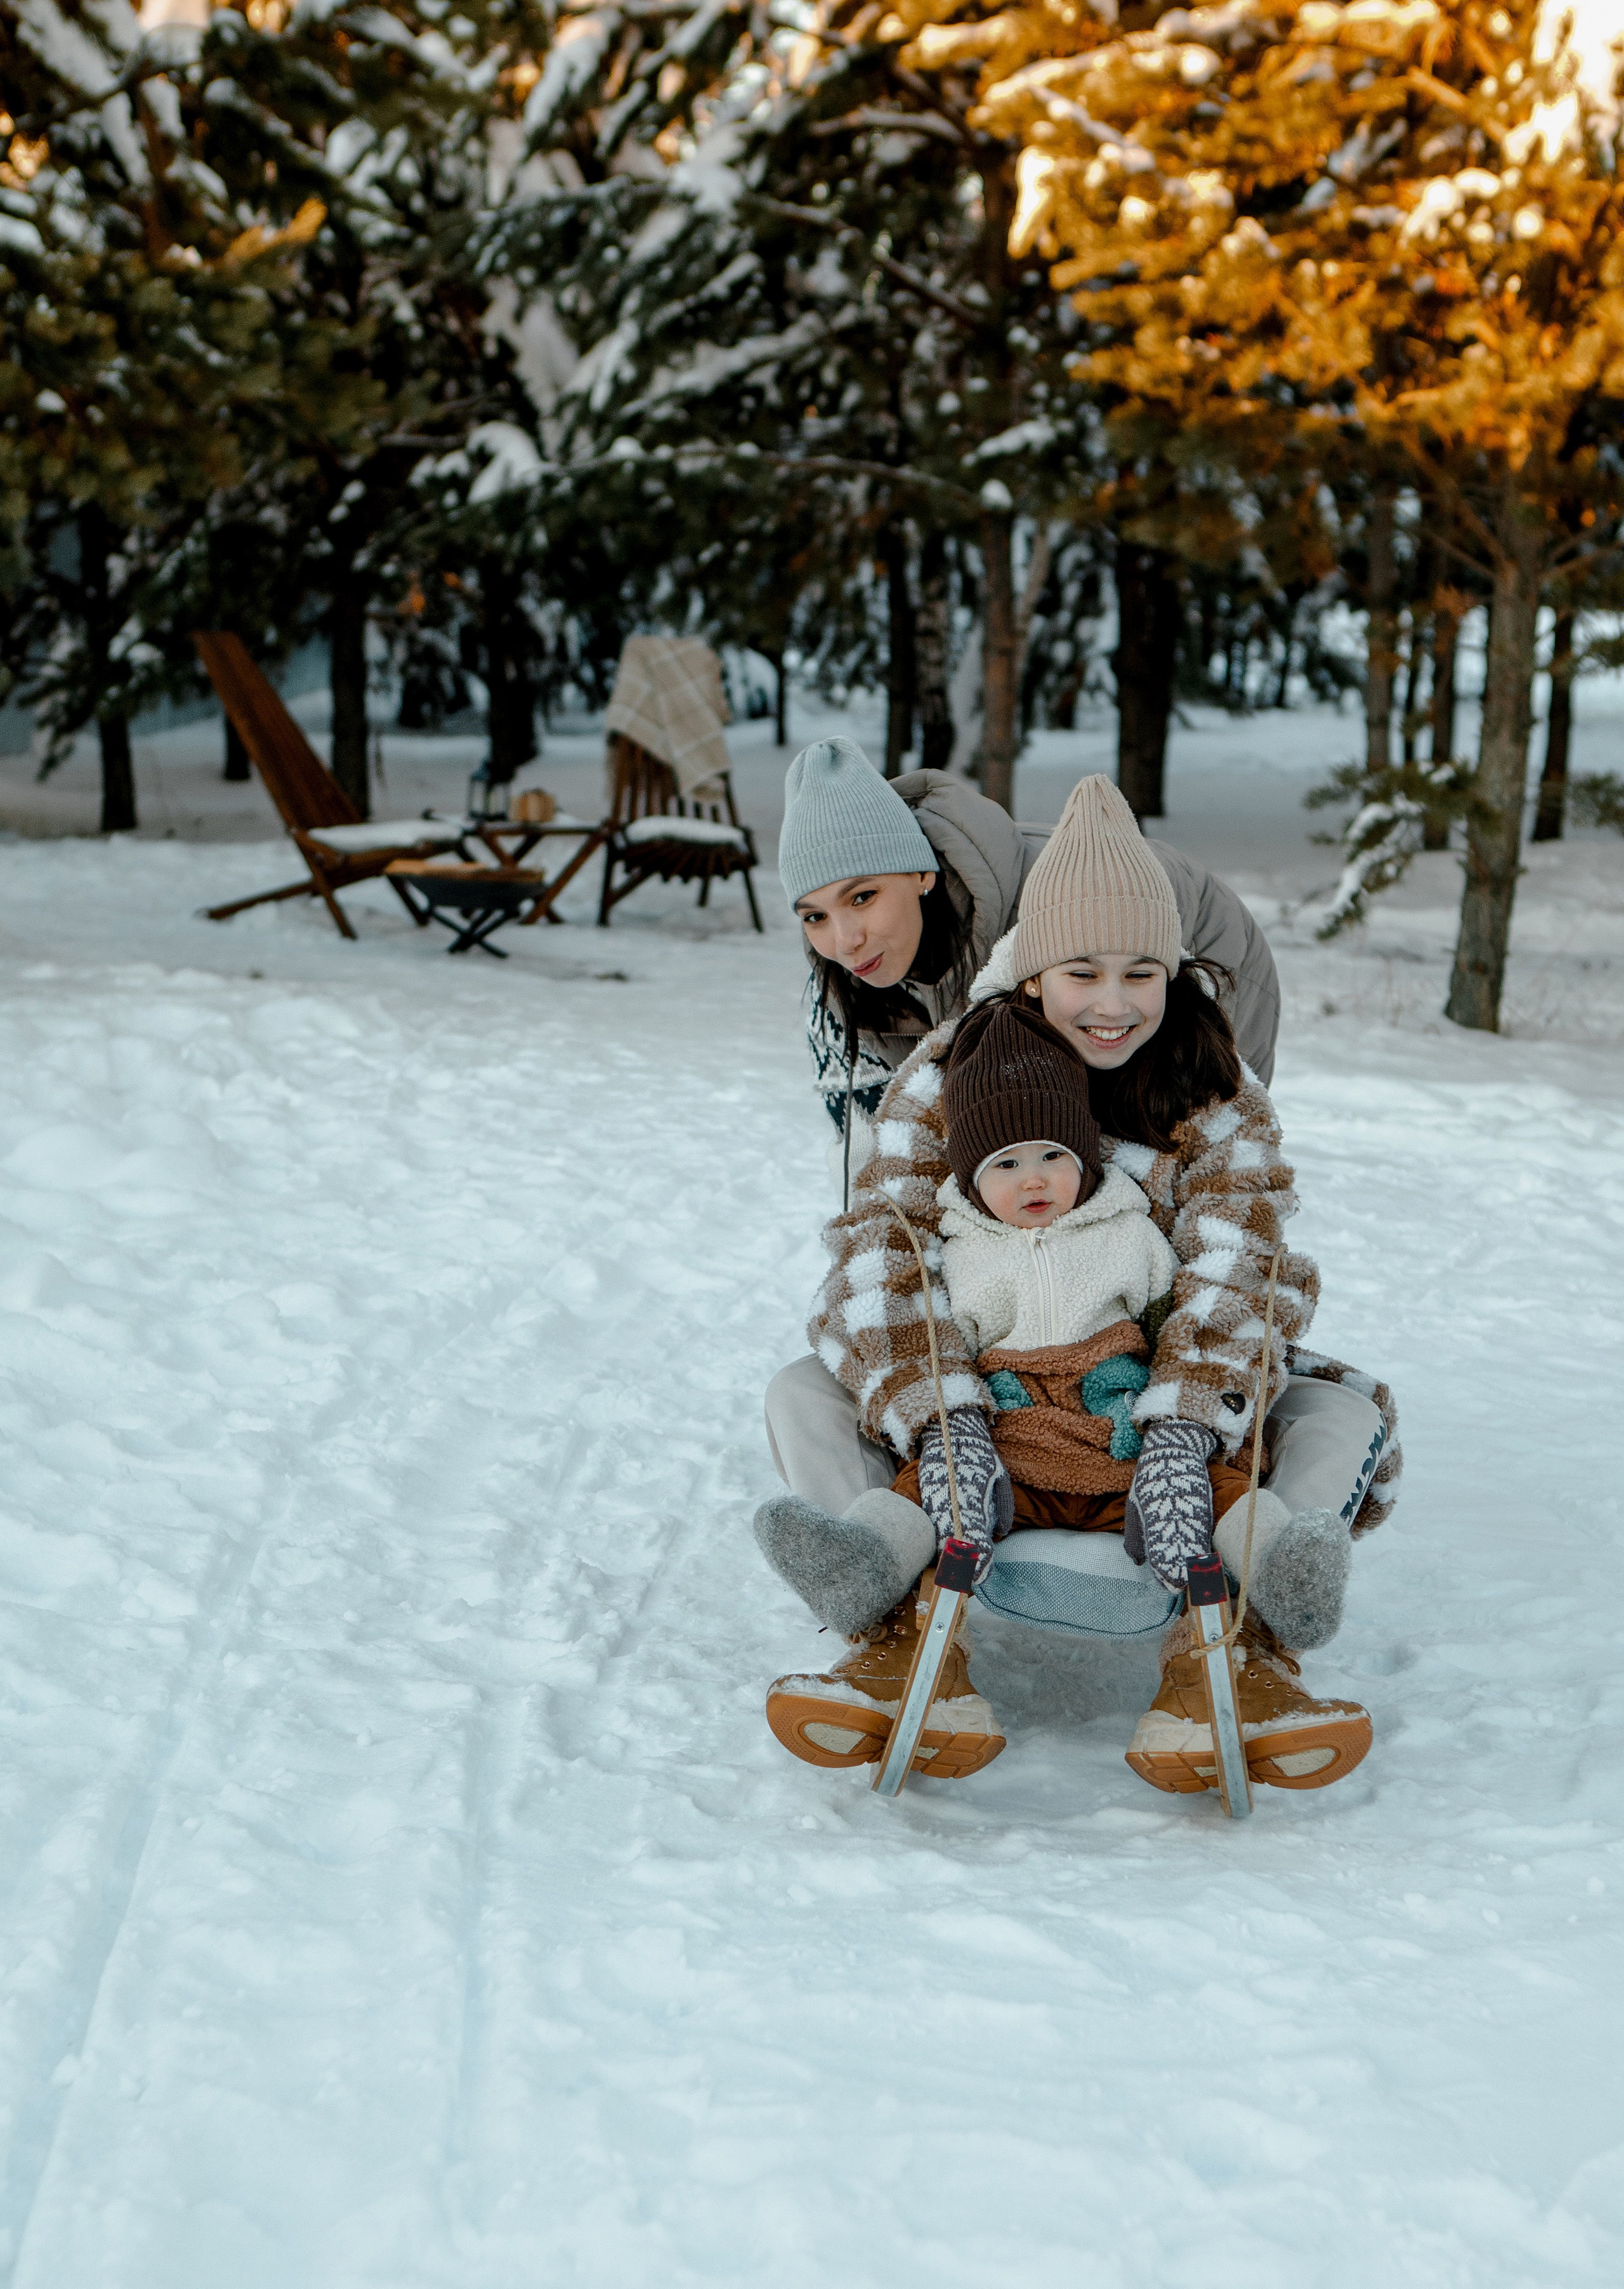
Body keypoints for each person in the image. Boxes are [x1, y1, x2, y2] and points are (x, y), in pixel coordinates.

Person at [756, 773, 1399, 1796]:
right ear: (1028, 975)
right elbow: (884, 1246)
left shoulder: (1217, 1092)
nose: (1111, 1004)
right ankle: (895, 1638)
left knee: (1334, 1411)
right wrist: (941, 1416)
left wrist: (1185, 1429)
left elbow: (1245, 1271)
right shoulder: (950, 1068)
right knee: (802, 1387)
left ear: (1175, 975)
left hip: (1144, 1412)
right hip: (987, 1406)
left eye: (1141, 973)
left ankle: (1242, 1654)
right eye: (1080, 973)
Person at [777, 734, 1281, 1202]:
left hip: (1203, 971)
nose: (845, 941)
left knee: (1130, 1183)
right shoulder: (847, 986)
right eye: (815, 917)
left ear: (920, 872)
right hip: (1088, 993)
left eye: (863, 897)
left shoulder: (1037, 916)